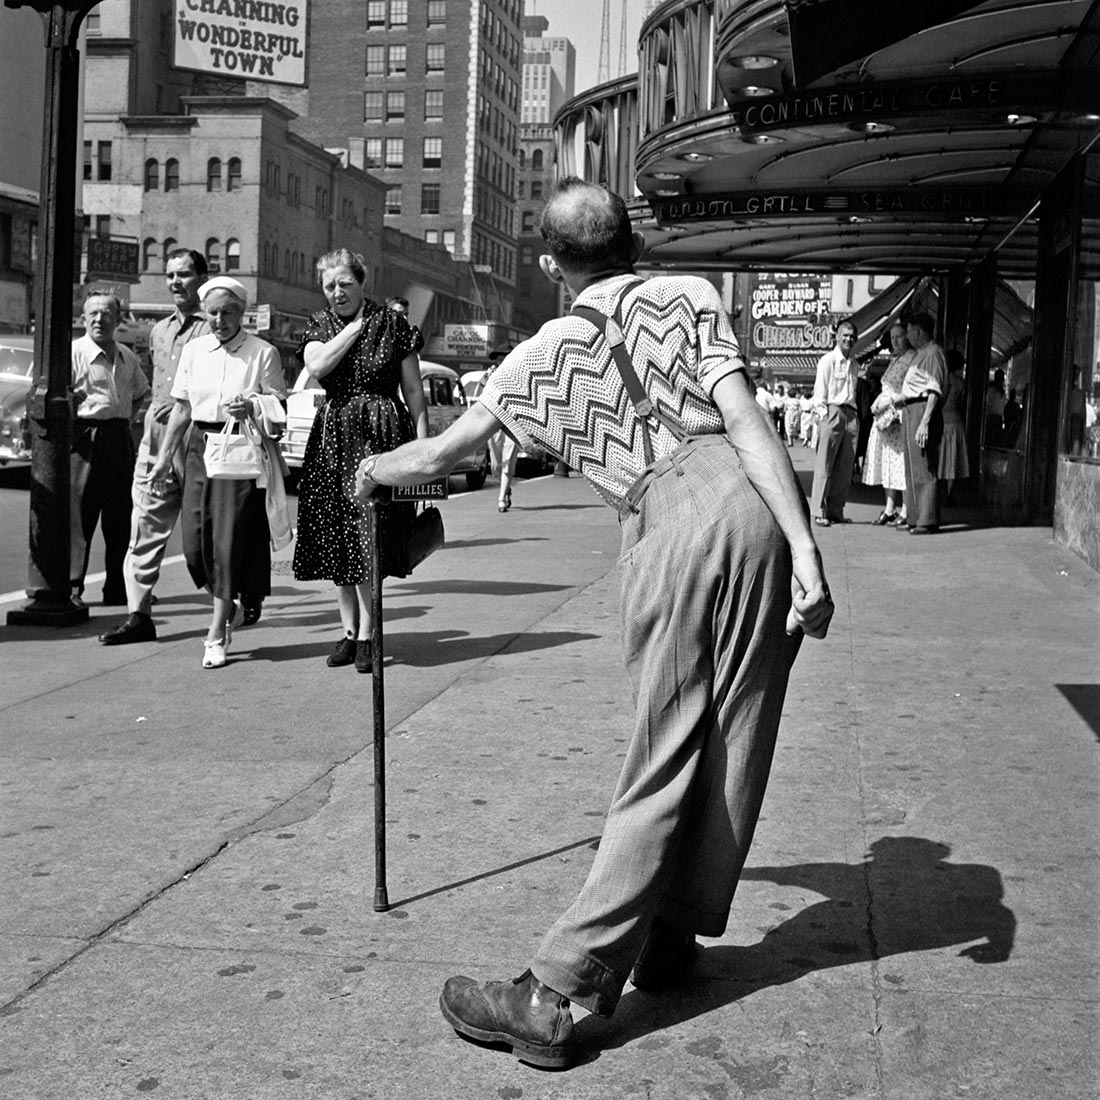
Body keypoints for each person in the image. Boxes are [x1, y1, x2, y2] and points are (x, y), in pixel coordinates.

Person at [354, 178, 833, 1069]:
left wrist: (376, 469)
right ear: (634, 245)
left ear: (551, 263)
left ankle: (557, 990)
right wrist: (805, 551)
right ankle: (672, 935)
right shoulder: (688, 296)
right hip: (755, 503)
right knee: (735, 731)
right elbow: (747, 419)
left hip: (667, 517)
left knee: (665, 745)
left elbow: (447, 452)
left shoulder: (539, 356)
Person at [293, 251, 429, 673]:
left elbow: (415, 394)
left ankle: (369, 634)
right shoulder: (319, 325)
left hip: (381, 437)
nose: (337, 292)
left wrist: (423, 455)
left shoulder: (394, 326)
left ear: (361, 282)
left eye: (344, 284)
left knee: (371, 536)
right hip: (333, 438)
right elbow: (317, 365)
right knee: (336, 536)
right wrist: (352, 330)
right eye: (329, 285)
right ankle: (350, 632)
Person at [145, 276, 286, 668]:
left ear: (242, 314)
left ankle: (215, 633)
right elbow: (182, 409)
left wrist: (254, 406)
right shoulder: (194, 350)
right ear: (204, 313)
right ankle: (234, 602)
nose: (220, 320)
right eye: (213, 313)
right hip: (198, 449)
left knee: (224, 542)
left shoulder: (263, 353)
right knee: (194, 544)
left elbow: (279, 408)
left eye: (228, 312)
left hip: (239, 450)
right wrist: (162, 458)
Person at [99, 249, 210, 645]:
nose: (176, 282)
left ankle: (231, 599)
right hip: (157, 435)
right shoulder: (159, 331)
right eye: (170, 275)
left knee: (204, 535)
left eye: (184, 274)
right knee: (143, 527)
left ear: (202, 278)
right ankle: (139, 615)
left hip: (199, 437)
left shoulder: (214, 328)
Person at [70, 293, 150, 607]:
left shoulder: (127, 356)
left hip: (118, 437)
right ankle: (72, 589)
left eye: (107, 313)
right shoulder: (72, 353)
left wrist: (126, 420)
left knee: (120, 518)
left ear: (118, 319)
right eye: (93, 313)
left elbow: (141, 392)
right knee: (80, 517)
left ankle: (116, 588)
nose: (99, 319)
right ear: (83, 317)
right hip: (85, 439)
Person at [888, 311, 947, 535]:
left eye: (910, 331)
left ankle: (927, 519)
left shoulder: (933, 353)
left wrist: (925, 422)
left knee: (924, 466)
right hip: (911, 408)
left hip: (923, 410)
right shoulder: (921, 354)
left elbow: (934, 390)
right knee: (912, 467)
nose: (908, 336)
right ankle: (914, 515)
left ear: (918, 331)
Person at [810, 319, 859, 526]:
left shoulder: (854, 364)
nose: (848, 339)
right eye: (844, 335)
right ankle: (819, 511)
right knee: (825, 465)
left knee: (845, 467)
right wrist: (823, 418)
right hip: (832, 411)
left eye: (851, 336)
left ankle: (836, 510)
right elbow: (819, 392)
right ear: (837, 336)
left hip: (851, 414)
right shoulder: (827, 360)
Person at [864, 322, 914, 526]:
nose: (895, 341)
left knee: (901, 463)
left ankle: (906, 509)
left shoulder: (912, 358)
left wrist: (888, 400)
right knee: (887, 463)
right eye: (892, 338)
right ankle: (889, 507)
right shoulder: (895, 359)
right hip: (884, 418)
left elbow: (910, 389)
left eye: (899, 336)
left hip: (898, 416)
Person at [938, 350, 970, 503]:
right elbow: (963, 405)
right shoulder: (960, 382)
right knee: (952, 458)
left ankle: (936, 491)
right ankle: (950, 493)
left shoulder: (939, 379)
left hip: (940, 421)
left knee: (938, 457)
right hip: (956, 422)